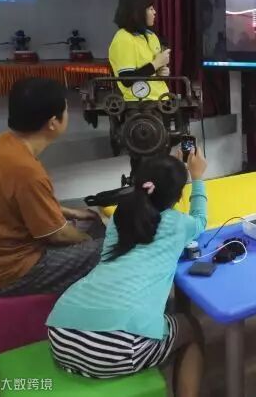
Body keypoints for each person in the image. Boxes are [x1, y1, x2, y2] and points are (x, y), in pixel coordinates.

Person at [46, 149, 207, 397]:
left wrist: (168, 171)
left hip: (61, 333)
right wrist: (197, 177)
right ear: (178, 196)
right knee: (191, 327)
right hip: (117, 349)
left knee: (158, 314)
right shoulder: (179, 224)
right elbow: (200, 220)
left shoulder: (121, 216)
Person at [0, 78, 104, 296]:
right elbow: (57, 235)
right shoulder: (26, 170)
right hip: (11, 272)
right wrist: (88, 244)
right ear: (53, 122)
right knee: (110, 249)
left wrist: (69, 212)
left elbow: (21, 203)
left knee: (91, 220)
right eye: (66, 110)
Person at [109, 0, 171, 101]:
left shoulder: (151, 36)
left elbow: (152, 70)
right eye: (150, 8)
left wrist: (161, 71)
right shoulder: (123, 38)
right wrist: (155, 64)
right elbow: (126, 80)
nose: (154, 12)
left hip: (162, 98)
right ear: (138, 12)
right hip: (140, 104)